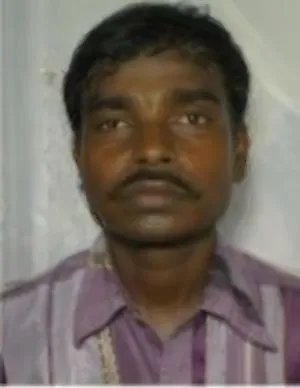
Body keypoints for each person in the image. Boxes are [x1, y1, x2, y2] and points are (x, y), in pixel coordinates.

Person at [1, 2, 300, 384]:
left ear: (239, 151)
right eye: (114, 122)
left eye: (191, 118)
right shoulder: (12, 337)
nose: (152, 149)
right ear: (78, 157)